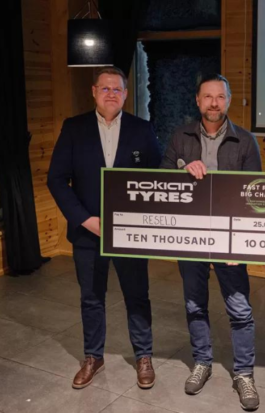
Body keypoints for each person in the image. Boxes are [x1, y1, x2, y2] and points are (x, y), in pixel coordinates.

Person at [48, 67, 161, 389]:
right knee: (91, 297)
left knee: (137, 295)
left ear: (125, 94)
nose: (112, 94)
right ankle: (93, 356)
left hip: (130, 233)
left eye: (118, 89)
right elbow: (56, 179)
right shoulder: (74, 128)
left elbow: (158, 177)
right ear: (94, 92)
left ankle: (143, 356)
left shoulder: (142, 129)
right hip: (88, 231)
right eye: (105, 88)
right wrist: (84, 219)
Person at [160, 73, 262, 411]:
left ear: (228, 100)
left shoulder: (245, 141)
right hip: (190, 235)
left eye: (220, 96)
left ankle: (244, 373)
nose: (214, 103)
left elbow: (254, 195)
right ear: (198, 100)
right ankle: (202, 362)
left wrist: (240, 244)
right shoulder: (181, 137)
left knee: (240, 309)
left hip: (229, 239)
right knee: (194, 304)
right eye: (208, 96)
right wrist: (181, 170)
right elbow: (161, 180)